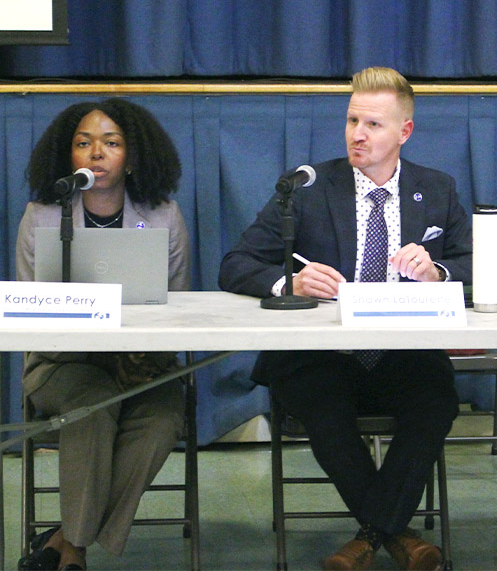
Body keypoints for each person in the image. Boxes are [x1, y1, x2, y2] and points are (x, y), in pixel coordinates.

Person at [219, 66, 472, 570]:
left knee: (436, 401)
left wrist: (438, 271)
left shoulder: (436, 188)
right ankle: (401, 538)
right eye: (353, 120)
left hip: (404, 351)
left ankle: (367, 540)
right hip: (321, 354)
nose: (358, 133)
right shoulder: (308, 188)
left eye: (374, 124)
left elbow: (476, 264)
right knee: (323, 407)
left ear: (405, 131)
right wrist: (287, 284)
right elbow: (237, 263)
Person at [16, 98, 191, 571]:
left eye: (111, 143)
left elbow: (174, 310)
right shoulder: (42, 217)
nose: (96, 153)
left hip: (143, 366)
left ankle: (70, 542)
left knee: (159, 423)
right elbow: (32, 313)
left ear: (132, 157)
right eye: (83, 143)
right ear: (67, 156)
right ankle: (76, 543)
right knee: (93, 407)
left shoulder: (163, 217)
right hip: (61, 367)